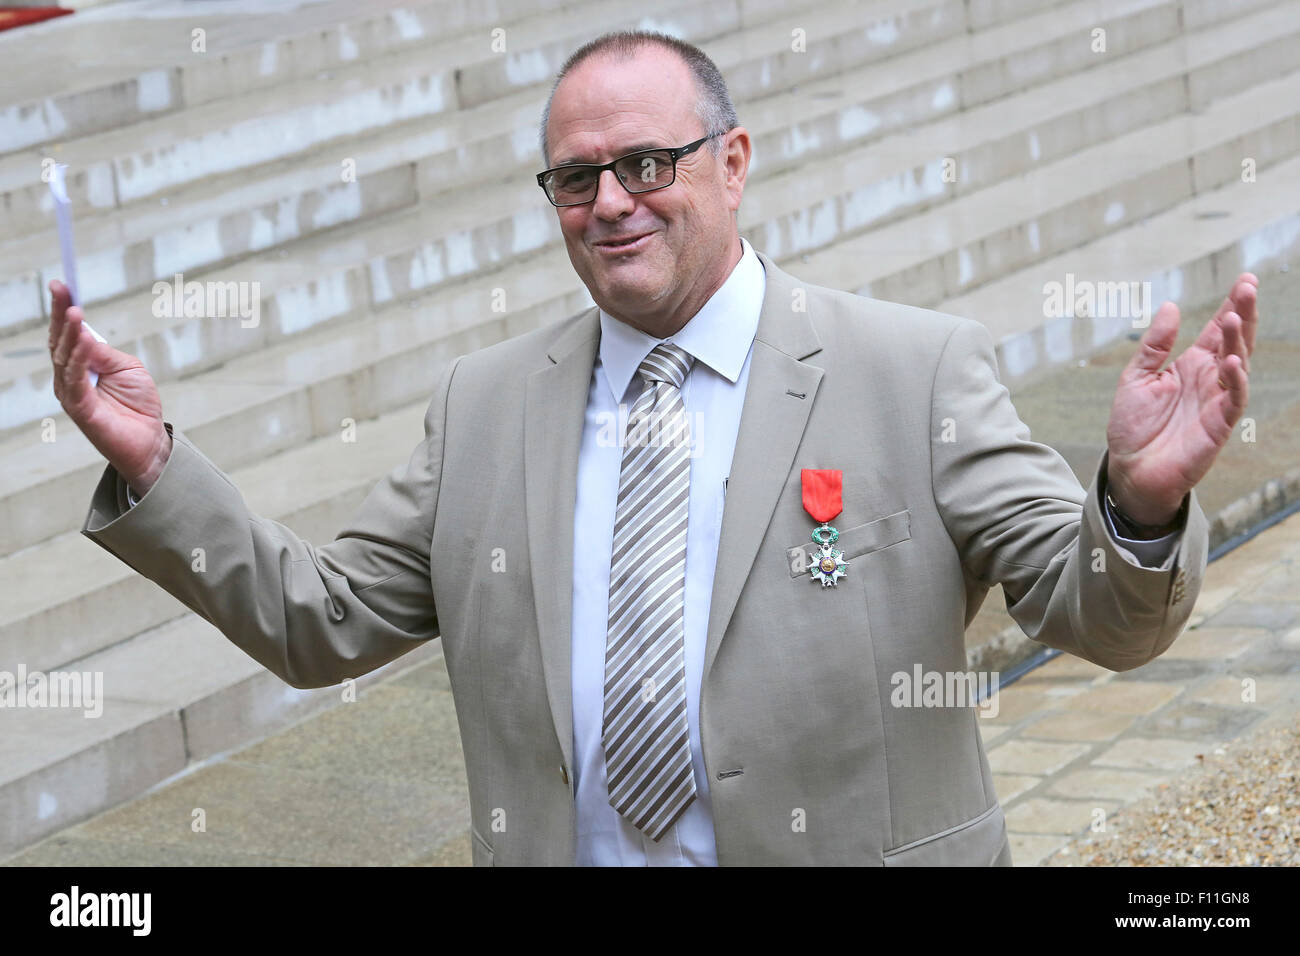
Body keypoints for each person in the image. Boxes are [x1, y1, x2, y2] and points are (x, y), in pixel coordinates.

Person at [50, 31, 1257, 865]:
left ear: (732, 162)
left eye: (645, 163)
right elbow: (320, 621)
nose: (611, 201)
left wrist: (1137, 508)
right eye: (576, 179)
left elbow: (1099, 616)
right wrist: (158, 467)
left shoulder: (913, 368)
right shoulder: (483, 405)